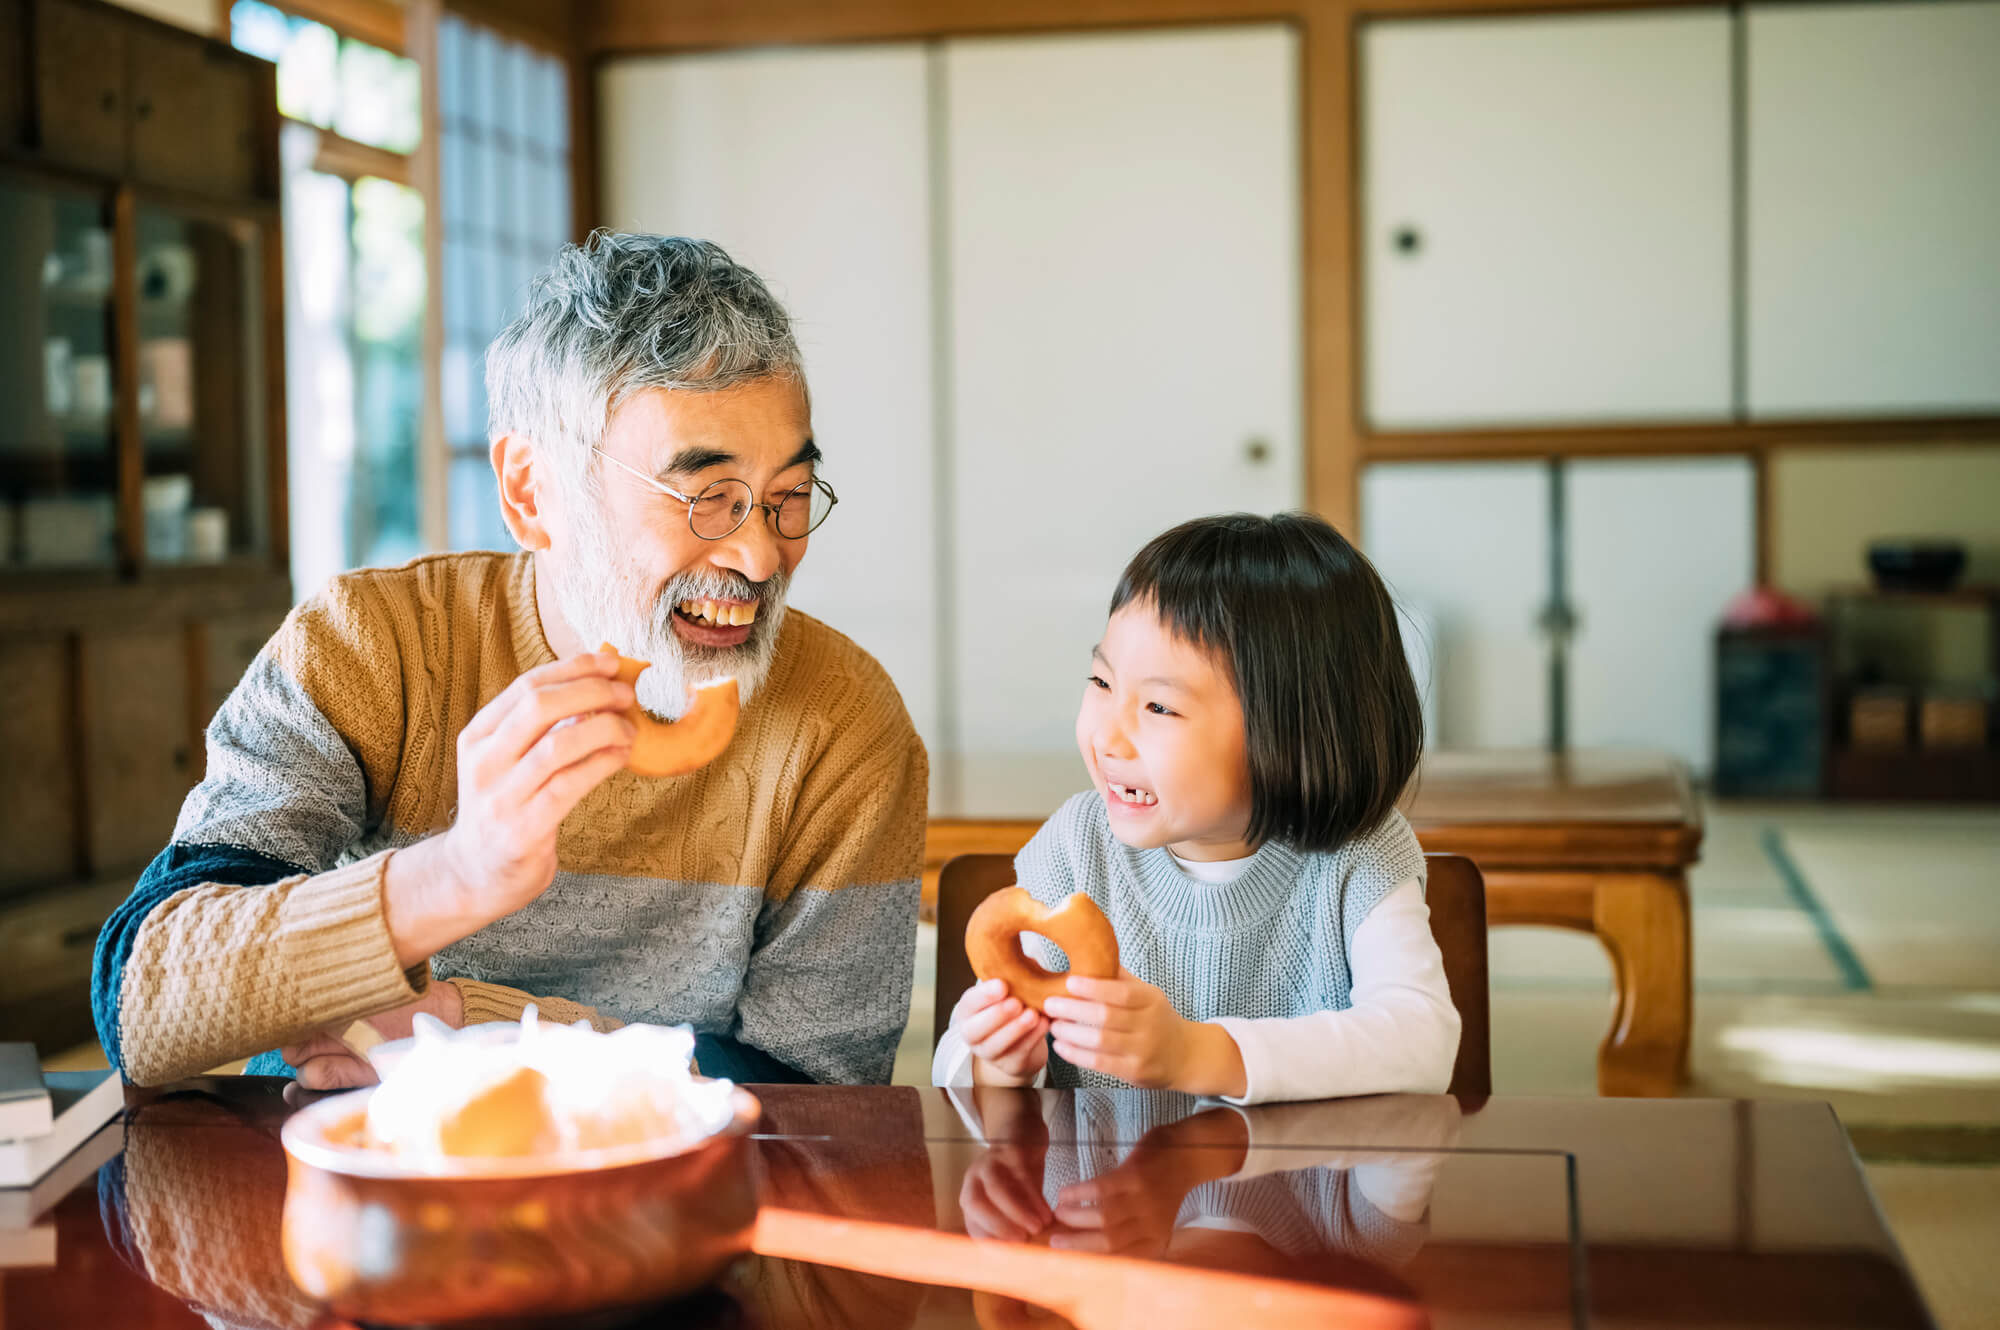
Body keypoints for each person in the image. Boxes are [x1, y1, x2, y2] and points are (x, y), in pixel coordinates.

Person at [92, 233, 926, 1090]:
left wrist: (481, 1031)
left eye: (787, 498)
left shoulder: (843, 721)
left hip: (668, 1194)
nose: (759, 557)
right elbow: (138, 1003)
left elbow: (826, 1099)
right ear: (532, 492)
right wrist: (454, 875)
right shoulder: (372, 648)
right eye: (708, 498)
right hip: (347, 1169)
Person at [934, 512, 1458, 1102]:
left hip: (1302, 1187)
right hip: (1102, 1190)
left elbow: (1422, 1042)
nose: (1108, 738)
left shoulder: (1357, 854)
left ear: (1294, 732)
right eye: (1101, 683)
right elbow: (958, 1060)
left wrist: (1194, 1053)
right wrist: (999, 1065)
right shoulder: (1079, 844)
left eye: (1159, 707)